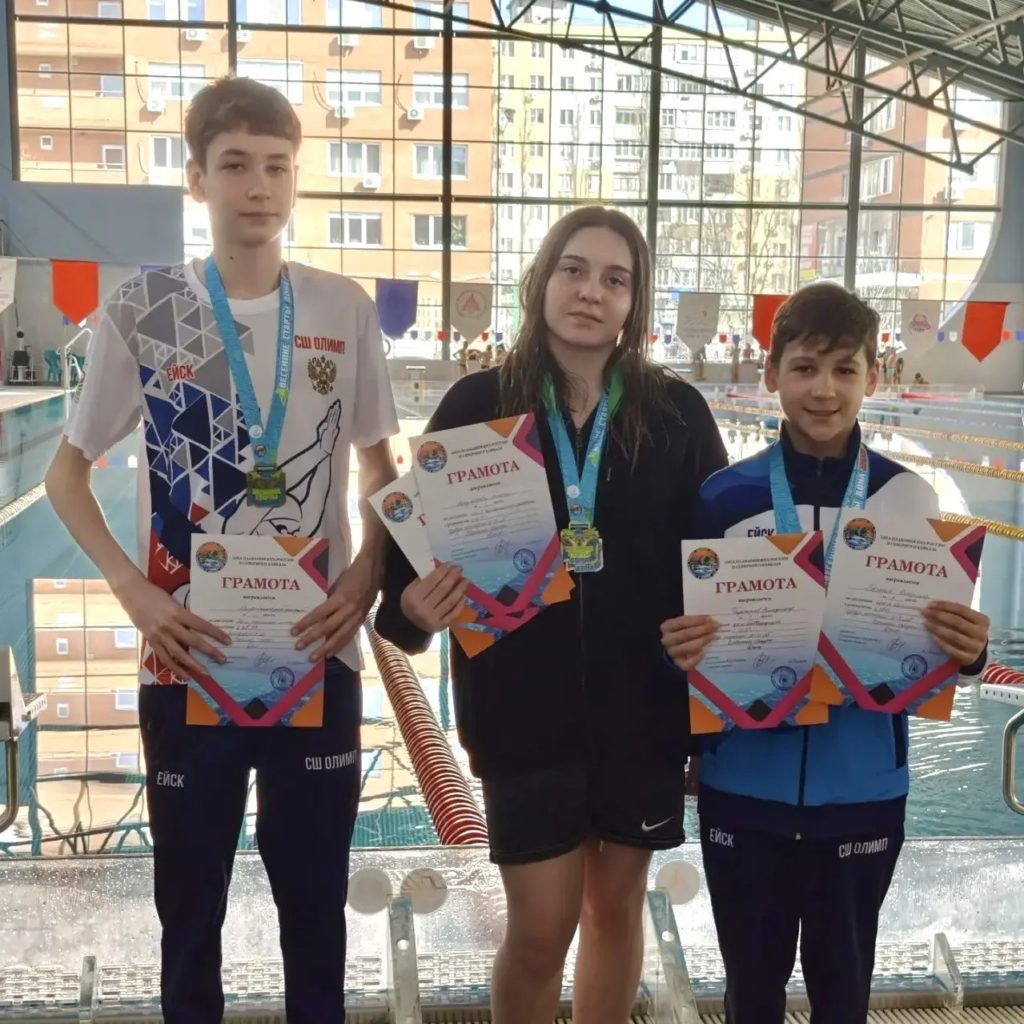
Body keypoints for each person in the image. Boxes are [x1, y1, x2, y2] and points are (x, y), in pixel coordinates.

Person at [44, 76, 398, 1024]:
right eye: (235, 165)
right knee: (189, 913)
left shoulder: (341, 306)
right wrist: (133, 592)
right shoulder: (148, 308)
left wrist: (367, 573)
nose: (259, 185)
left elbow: (381, 469)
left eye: (277, 166)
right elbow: (65, 477)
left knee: (316, 912)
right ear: (197, 178)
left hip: (317, 652)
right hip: (186, 655)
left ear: (296, 179)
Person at [375, 206, 727, 1024]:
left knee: (615, 911)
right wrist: (413, 609)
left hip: (643, 713)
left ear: (635, 301)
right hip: (519, 715)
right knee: (540, 930)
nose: (590, 292)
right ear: (541, 281)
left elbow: (717, 556)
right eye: (574, 270)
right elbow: (407, 558)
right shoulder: (476, 404)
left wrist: (714, 627)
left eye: (615, 279)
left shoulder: (676, 414)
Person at [660, 281, 989, 1024]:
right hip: (744, 790)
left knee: (844, 992)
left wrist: (969, 653)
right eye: (805, 368)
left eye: (845, 370)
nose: (824, 390)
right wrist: (674, 654)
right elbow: (684, 641)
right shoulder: (724, 498)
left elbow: (934, 646)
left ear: (874, 377)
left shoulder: (910, 499)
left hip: (863, 792)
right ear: (771, 373)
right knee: (751, 992)